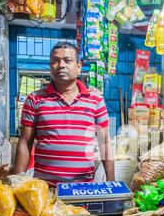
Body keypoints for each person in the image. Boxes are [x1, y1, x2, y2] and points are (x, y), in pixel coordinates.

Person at [14, 41, 115, 185]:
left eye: (67, 60)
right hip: (44, 190)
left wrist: (111, 183)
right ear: (50, 66)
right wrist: (17, 185)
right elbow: (25, 142)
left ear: (79, 66)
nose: (61, 65)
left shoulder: (95, 100)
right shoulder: (35, 99)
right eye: (55, 61)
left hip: (83, 189)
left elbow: (104, 143)